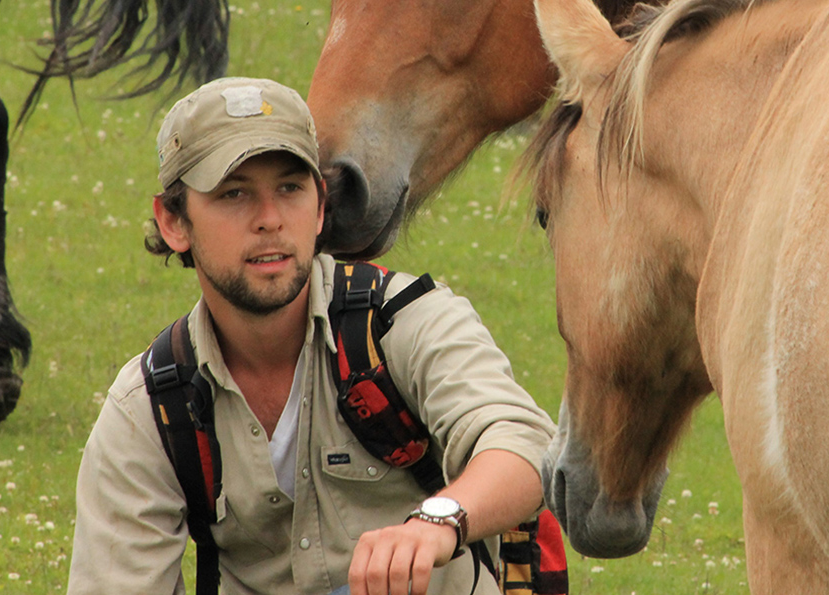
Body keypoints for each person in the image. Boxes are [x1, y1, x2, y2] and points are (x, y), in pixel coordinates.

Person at [67, 77, 555, 595]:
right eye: (234, 194)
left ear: (321, 207)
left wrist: (439, 521)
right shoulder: (150, 408)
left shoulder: (402, 322)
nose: (271, 220)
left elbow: (524, 446)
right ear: (173, 221)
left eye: (290, 188)